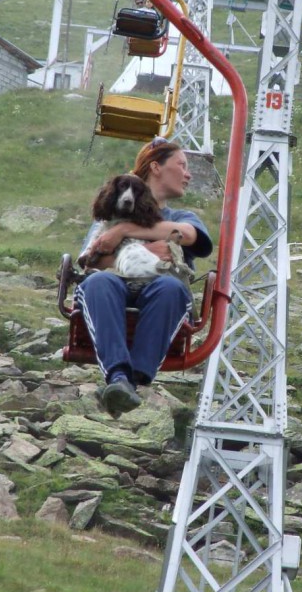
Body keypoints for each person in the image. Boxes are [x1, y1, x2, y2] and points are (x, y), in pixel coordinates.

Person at [75, 138, 213, 416]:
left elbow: (189, 235)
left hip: (160, 288)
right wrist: (145, 250)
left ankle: (132, 378)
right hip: (113, 282)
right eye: (182, 165)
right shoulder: (108, 216)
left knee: (170, 287)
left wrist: (124, 230)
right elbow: (93, 260)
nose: (188, 174)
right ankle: (119, 378)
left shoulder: (181, 215)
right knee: (98, 281)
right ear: (156, 167)